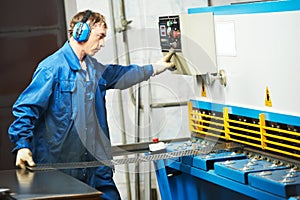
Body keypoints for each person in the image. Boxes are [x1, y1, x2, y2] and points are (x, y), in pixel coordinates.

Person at [8, 9, 174, 200]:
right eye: (100, 36)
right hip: (62, 171)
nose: (102, 43)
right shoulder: (52, 68)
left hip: (96, 169)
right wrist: (22, 146)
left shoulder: (94, 69)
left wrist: (156, 68)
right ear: (81, 32)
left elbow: (123, 75)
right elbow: (26, 109)